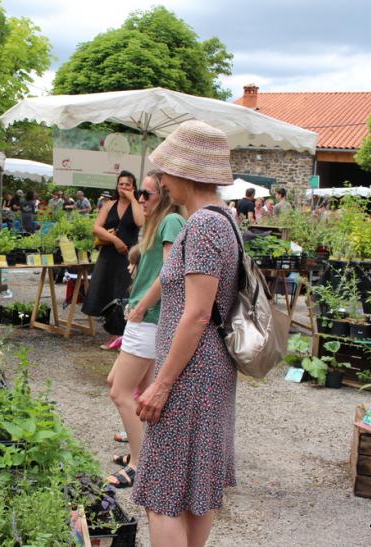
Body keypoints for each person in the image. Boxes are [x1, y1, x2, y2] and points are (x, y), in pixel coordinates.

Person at [131, 120, 240, 547]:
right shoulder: (224, 220)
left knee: (161, 493)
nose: (161, 180)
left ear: (184, 173)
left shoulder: (200, 226)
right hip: (210, 370)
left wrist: (161, 384)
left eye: (165, 171)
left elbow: (195, 315)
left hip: (190, 374)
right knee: (196, 487)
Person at [105, 171, 184, 489]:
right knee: (132, 389)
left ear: (163, 196)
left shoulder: (172, 222)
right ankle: (145, 452)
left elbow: (169, 273)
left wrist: (140, 307)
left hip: (149, 318)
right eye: (138, 193)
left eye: (146, 194)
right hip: (146, 317)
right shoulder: (159, 224)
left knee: (120, 391)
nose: (139, 198)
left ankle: (140, 465)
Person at [82, 171, 144, 318]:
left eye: (127, 184)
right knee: (103, 288)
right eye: (121, 184)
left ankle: (119, 327)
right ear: (116, 187)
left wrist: (133, 200)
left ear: (133, 187)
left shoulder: (138, 205)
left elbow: (140, 222)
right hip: (108, 254)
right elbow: (96, 228)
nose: (123, 187)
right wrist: (115, 240)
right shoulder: (109, 204)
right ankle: (107, 323)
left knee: (122, 290)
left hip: (127, 255)